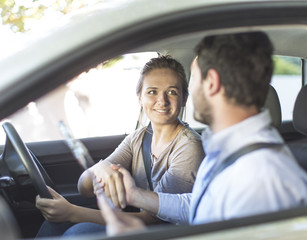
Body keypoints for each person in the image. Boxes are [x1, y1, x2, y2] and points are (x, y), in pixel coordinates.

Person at [95, 31, 307, 235]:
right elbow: (198, 206)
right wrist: (136, 195)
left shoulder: (259, 178)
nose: (190, 91)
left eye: (194, 80)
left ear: (211, 82)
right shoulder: (231, 151)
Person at [35, 55, 205, 237]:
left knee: (79, 232)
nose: (161, 101)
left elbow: (153, 220)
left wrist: (73, 212)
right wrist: (99, 169)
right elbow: (83, 188)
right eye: (152, 92)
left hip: (165, 233)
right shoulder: (138, 138)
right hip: (138, 225)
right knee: (52, 226)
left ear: (184, 98)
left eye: (171, 92)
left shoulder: (188, 148)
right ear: (140, 98)